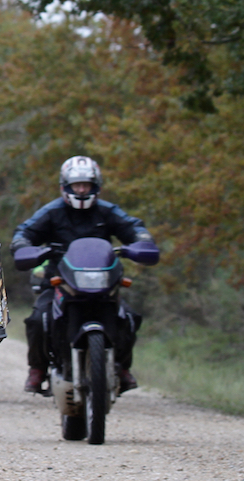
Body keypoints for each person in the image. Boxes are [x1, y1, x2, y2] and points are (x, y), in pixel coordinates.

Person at [9, 155, 156, 394]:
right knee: (38, 320)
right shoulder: (52, 212)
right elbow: (25, 231)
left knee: (129, 317)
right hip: (60, 282)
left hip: (103, 283)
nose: (81, 189)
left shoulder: (108, 211)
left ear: (95, 186)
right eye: (76, 185)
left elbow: (133, 226)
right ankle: (37, 369)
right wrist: (23, 245)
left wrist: (142, 240)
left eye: (86, 185)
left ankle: (122, 367)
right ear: (65, 186)